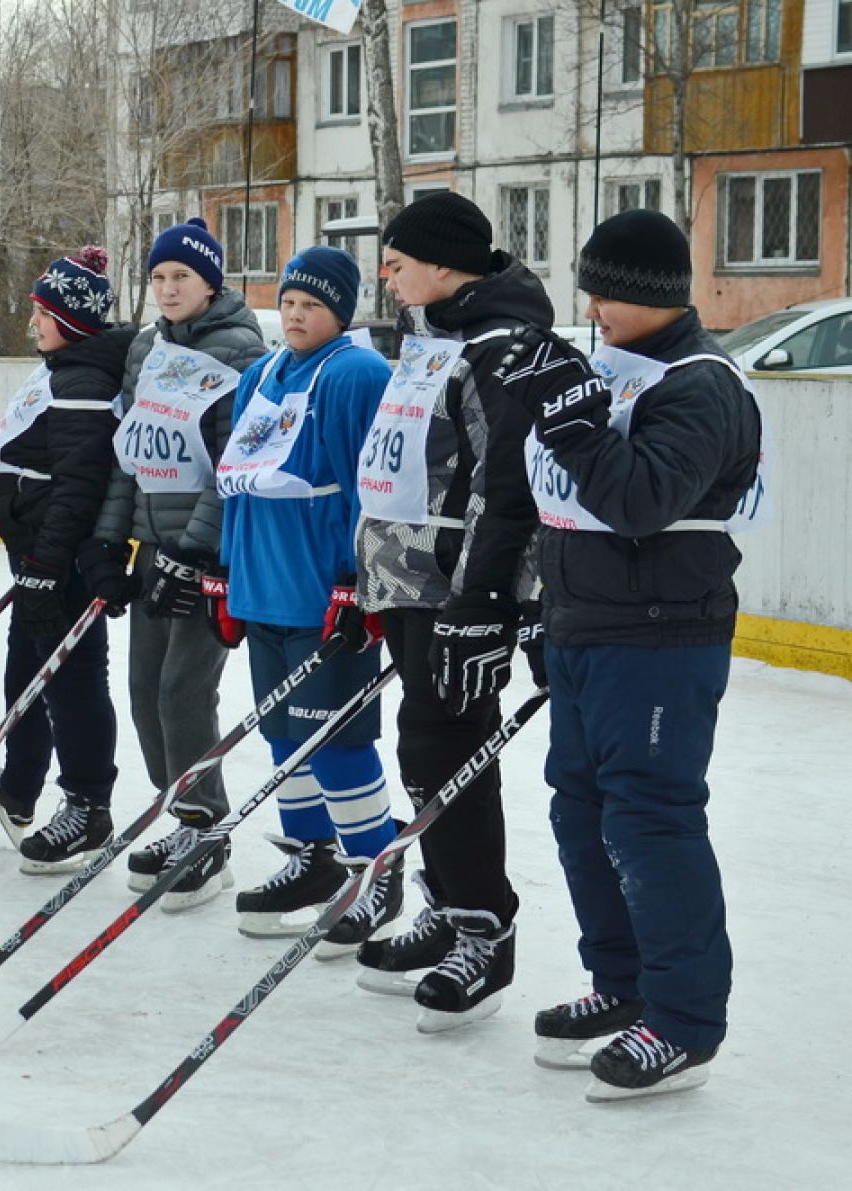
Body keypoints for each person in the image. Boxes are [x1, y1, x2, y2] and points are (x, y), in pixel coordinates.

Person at [495, 209, 762, 1101]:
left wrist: (571, 421)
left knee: (649, 818)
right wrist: (540, 605)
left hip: (661, 635)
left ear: (652, 295)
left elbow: (642, 499)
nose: (593, 305)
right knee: (580, 814)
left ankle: (685, 1020)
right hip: (585, 623)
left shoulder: (701, 384)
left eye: (606, 290)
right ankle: (623, 985)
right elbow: (558, 501)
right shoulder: (615, 365)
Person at [348, 191, 550, 1033]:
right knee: (425, 747)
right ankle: (448, 893)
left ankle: (483, 925)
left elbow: (508, 488)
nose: (386, 277)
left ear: (441, 264)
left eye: (397, 263)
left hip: (455, 589)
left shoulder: (500, 347)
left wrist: (487, 602)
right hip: (405, 581)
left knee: (453, 746)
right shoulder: (429, 336)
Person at [216, 247, 400, 944]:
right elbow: (235, 473)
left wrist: (359, 580)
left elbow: (371, 482)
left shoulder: (358, 372)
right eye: (290, 301)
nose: (295, 314)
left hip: (321, 588)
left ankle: (372, 870)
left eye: (312, 305)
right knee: (284, 735)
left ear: (340, 314)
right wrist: (227, 570)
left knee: (338, 740)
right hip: (263, 583)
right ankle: (314, 858)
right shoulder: (260, 373)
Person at [84, 218, 267, 908]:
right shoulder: (146, 348)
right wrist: (111, 540)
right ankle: (183, 810)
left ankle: (205, 827)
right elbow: (132, 453)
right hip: (155, 547)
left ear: (210, 281)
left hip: (206, 554)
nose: (166, 288)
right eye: (158, 277)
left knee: (181, 692)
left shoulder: (239, 351)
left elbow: (230, 464)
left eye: (180, 277)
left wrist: (195, 551)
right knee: (142, 691)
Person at [0, 247, 134, 875]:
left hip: (59, 554)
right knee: (27, 672)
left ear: (72, 318)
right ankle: (19, 783)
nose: (34, 322)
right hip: (36, 550)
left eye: (43, 312)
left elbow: (78, 484)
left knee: (71, 680)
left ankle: (88, 805)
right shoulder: (60, 368)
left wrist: (48, 560)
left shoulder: (84, 380)